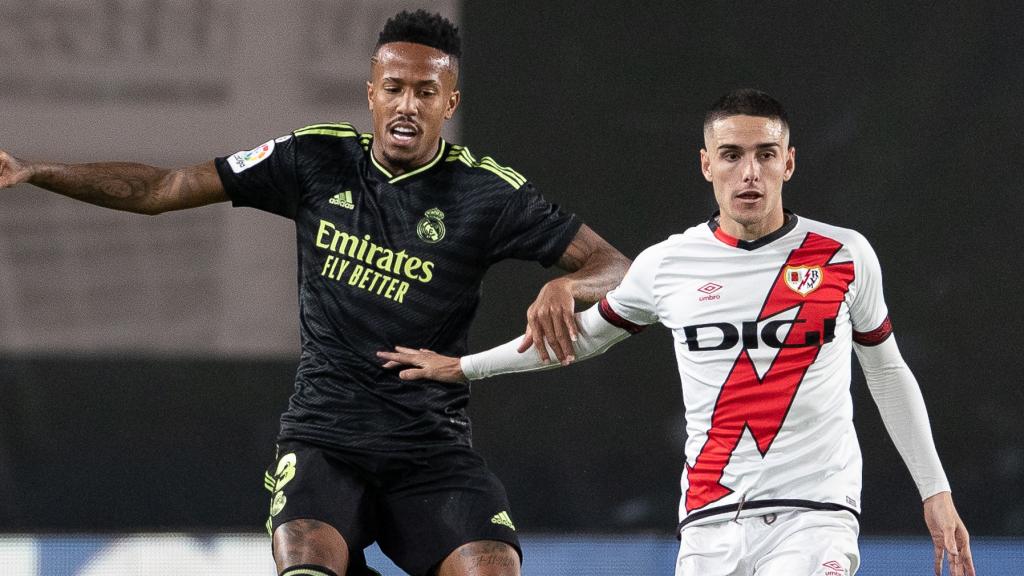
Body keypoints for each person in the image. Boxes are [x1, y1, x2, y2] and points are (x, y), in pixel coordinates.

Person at [0, 10, 630, 576]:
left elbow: (617, 268)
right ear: (371, 94)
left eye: (425, 92)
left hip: (430, 449)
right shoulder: (314, 159)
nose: (407, 105)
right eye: (393, 89)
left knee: (493, 569)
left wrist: (567, 282)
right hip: (326, 440)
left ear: (449, 102)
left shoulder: (486, 192)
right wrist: (36, 172)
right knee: (304, 556)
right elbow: (164, 188)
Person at [378, 89, 977, 576]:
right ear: (706, 163)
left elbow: (887, 370)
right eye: (733, 154)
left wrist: (935, 490)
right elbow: (576, 340)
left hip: (814, 514)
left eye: (767, 154)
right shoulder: (667, 264)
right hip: (710, 520)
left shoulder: (844, 255)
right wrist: (464, 367)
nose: (750, 172)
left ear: (789, 163)